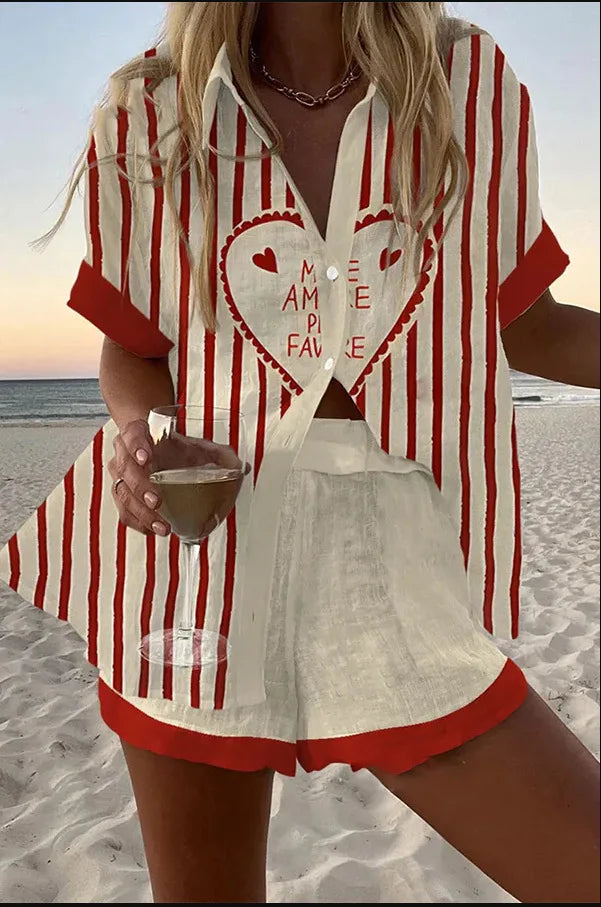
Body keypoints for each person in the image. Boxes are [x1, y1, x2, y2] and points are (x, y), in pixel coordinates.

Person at [1, 1, 599, 902]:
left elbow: (525, 323)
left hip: (394, 561)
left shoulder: (468, 85)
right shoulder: (149, 107)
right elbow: (134, 340)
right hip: (197, 568)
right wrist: (146, 435)